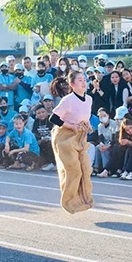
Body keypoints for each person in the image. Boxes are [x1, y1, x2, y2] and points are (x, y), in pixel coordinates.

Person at [50, 71, 95, 214]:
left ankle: (84, 200)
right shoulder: (68, 100)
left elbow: (84, 117)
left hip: (80, 137)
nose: (83, 82)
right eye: (80, 80)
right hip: (64, 137)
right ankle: (69, 203)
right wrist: (70, 126)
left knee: (86, 169)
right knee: (74, 171)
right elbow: (54, 118)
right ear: (72, 84)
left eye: (84, 79)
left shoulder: (88, 99)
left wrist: (87, 126)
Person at [92, 108, 118, 178]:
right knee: (98, 147)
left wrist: (107, 146)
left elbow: (114, 139)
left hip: (112, 144)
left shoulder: (113, 124)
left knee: (104, 150)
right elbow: (100, 137)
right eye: (100, 116)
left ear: (108, 115)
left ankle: (106, 169)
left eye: (104, 115)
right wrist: (101, 143)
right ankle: (96, 168)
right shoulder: (100, 126)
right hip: (105, 143)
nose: (102, 117)